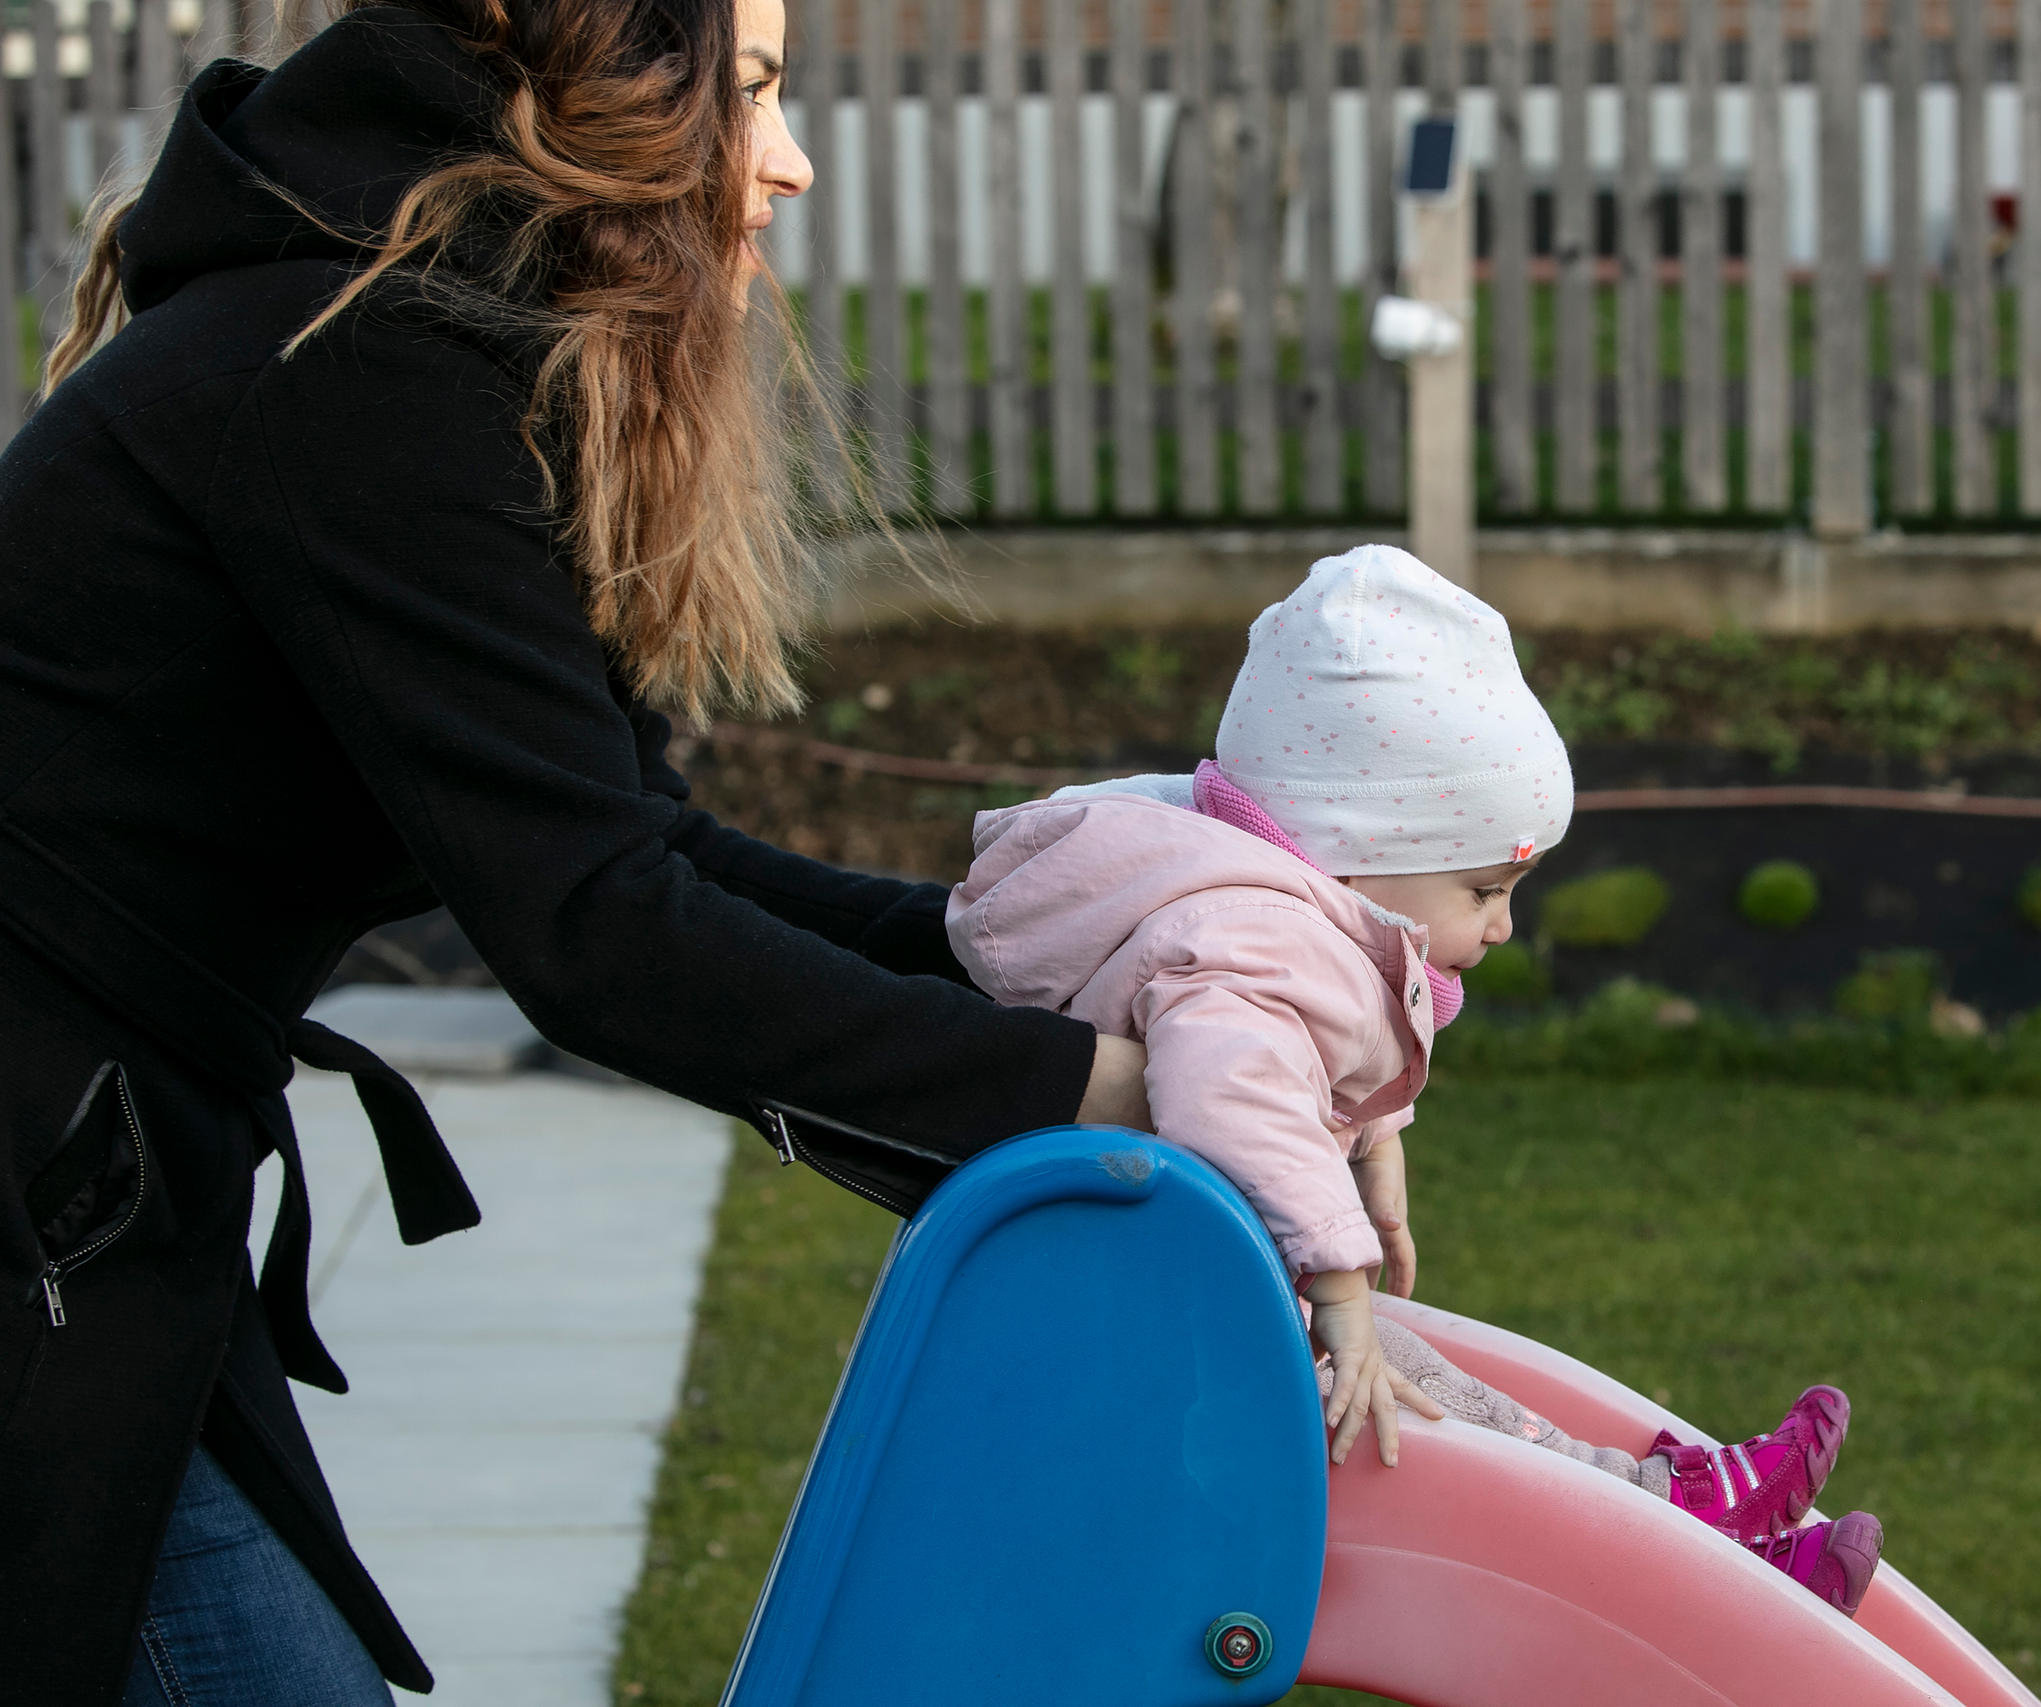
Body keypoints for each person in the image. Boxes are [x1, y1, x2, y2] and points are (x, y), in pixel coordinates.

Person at [0, 1, 1150, 1701]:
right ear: (614, 106)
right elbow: (603, 932)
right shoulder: (358, 367)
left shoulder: (396, 343)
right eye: (751, 93)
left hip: (95, 1180)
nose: (790, 159)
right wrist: (1102, 1097)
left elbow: (640, 851)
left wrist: (1061, 972)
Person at [948, 544, 1886, 1615]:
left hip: (1171, 1297)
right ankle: (1680, 1544)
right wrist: (1339, 1284)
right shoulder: (1261, 938)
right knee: (1414, 1427)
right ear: (1351, 855)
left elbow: (1293, 1060)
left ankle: (1679, 1510)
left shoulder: (1266, 903)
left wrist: (1371, 1148)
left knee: (1427, 1394)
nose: (1502, 925)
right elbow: (1232, 1092)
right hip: (1161, 1349)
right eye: (1485, 887)